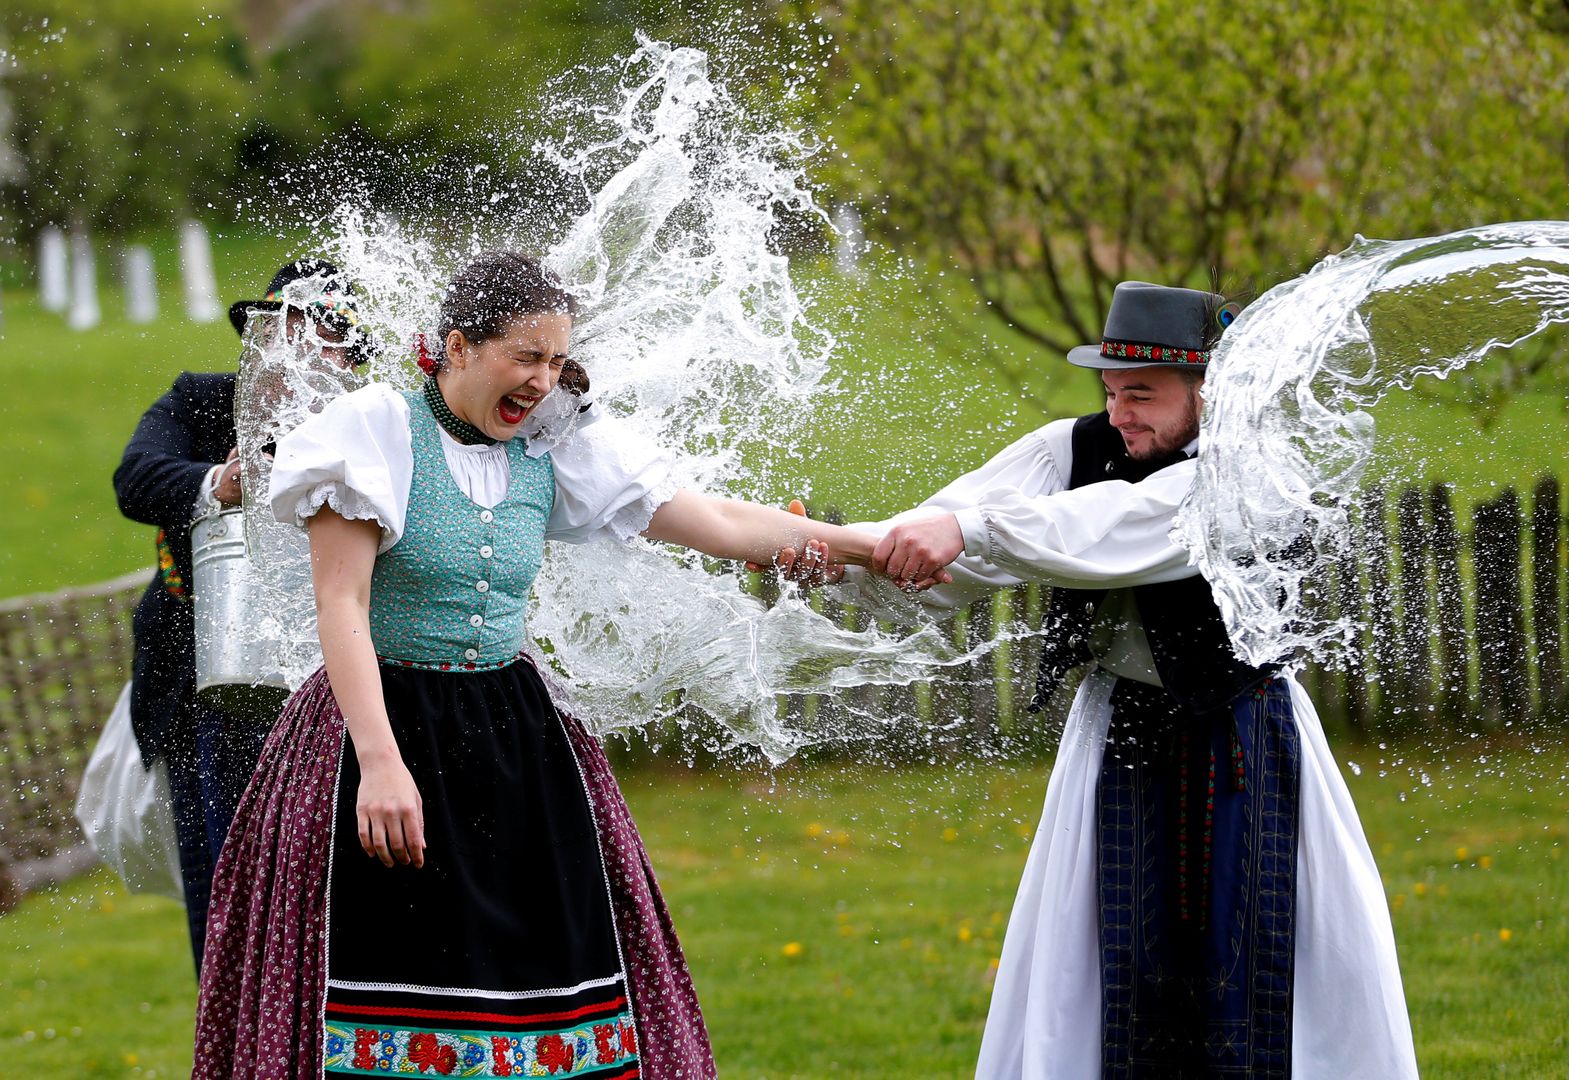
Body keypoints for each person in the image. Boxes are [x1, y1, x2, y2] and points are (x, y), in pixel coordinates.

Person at [192, 251, 886, 1079]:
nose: (544, 381)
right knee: (393, 969)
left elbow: (721, 521)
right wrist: (380, 762)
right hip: (377, 729)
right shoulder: (373, 430)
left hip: (517, 740)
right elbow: (341, 605)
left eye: (557, 361)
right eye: (526, 357)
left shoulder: (553, 447)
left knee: (549, 980)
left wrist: (870, 550)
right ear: (455, 347)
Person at [780, 281, 1418, 1079]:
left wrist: (967, 530)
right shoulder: (1068, 448)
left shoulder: (1251, 468)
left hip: (1245, 741)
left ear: (1205, 389)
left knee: (1257, 962)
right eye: (1112, 392)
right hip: (1116, 734)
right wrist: (834, 555)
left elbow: (1112, 527)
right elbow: (952, 538)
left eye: (1142, 394)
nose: (1119, 413)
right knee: (1092, 964)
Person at [112, 258, 368, 968]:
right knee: (225, 895)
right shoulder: (202, 402)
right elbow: (135, 481)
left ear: (350, 358)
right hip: (204, 691)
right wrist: (221, 481)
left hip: (334, 690)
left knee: (332, 903)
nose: (302, 349)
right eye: (285, 328)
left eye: (324, 336)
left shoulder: (366, 428)